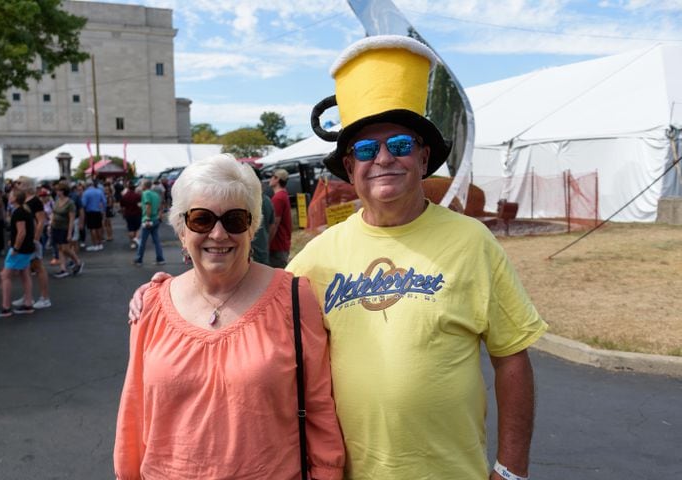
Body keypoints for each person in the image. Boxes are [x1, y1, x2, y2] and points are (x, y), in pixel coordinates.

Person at [129, 35, 548, 480]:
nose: (384, 158)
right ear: (350, 168)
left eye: (401, 145)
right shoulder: (318, 257)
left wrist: (510, 470)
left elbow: (512, 358)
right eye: (366, 150)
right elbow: (247, 298)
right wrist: (170, 292)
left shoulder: (472, 242)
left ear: (424, 158)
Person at [114, 154, 345, 479]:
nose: (219, 234)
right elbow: (134, 410)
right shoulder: (151, 305)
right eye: (201, 220)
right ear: (181, 230)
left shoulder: (294, 297)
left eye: (234, 220)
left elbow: (320, 406)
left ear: (252, 228)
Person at [0, 190, 36, 317]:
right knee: (25, 274)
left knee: (5, 275)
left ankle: (6, 307)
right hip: (26, 248)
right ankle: (27, 304)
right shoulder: (24, 210)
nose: (9, 197)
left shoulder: (19, 212)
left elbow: (22, 232)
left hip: (20, 250)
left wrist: (15, 247)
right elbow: (24, 231)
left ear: (15, 198)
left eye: (11, 195)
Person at [11, 177, 51, 310]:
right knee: (25, 268)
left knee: (38, 266)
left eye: (19, 183)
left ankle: (45, 298)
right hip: (25, 239)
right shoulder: (24, 201)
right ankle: (28, 296)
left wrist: (36, 238)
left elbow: (41, 221)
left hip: (31, 239)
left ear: (27, 186)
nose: (16, 185)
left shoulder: (35, 201)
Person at [50, 181, 84, 278]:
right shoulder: (57, 201)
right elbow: (54, 213)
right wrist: (51, 224)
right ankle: (63, 268)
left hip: (65, 228)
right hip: (56, 227)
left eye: (59, 190)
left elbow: (71, 219)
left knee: (65, 248)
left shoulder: (70, 203)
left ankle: (77, 261)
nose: (57, 192)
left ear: (63, 191)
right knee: (60, 248)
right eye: (57, 190)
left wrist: (69, 233)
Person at [132, 179, 165, 266]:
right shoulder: (155, 194)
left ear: (144, 186)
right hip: (155, 219)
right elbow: (159, 206)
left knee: (142, 241)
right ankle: (160, 258)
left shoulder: (146, 193)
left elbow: (148, 205)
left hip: (148, 219)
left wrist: (147, 218)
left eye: (141, 184)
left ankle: (139, 259)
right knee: (156, 241)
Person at [268, 168, 292, 267]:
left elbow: (274, 224)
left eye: (272, 177)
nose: (270, 179)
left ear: (277, 179)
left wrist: (266, 242)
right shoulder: (283, 195)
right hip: (282, 244)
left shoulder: (278, 198)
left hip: (277, 246)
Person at [251, 172, 275, 265]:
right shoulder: (266, 200)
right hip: (262, 250)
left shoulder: (249, 202)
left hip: (256, 254)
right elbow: (272, 225)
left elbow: (272, 225)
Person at [81, 179, 107, 251]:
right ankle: (100, 244)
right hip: (98, 211)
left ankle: (95, 244)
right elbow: (104, 201)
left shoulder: (85, 193)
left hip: (90, 212)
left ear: (87, 185)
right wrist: (103, 210)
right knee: (98, 227)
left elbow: (83, 204)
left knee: (92, 229)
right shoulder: (99, 191)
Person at [119, 180, 142, 250]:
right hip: (137, 213)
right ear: (134, 188)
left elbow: (122, 207)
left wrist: (123, 214)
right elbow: (140, 205)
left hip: (128, 214)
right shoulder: (138, 196)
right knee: (137, 228)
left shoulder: (124, 196)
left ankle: (132, 243)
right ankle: (136, 239)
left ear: (128, 188)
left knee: (130, 228)